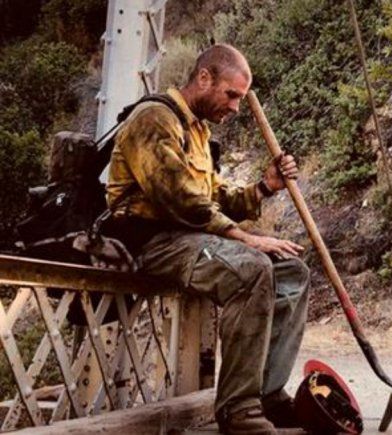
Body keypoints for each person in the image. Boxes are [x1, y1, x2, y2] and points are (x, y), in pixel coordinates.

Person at [105, 44, 309, 435]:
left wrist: (265, 187)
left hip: (191, 238)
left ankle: (267, 393)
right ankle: (238, 410)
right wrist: (245, 239)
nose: (235, 107)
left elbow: (212, 197)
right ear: (203, 78)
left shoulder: (197, 130)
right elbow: (177, 197)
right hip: (152, 242)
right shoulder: (153, 119)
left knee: (292, 273)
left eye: (240, 98)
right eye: (231, 95)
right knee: (250, 270)